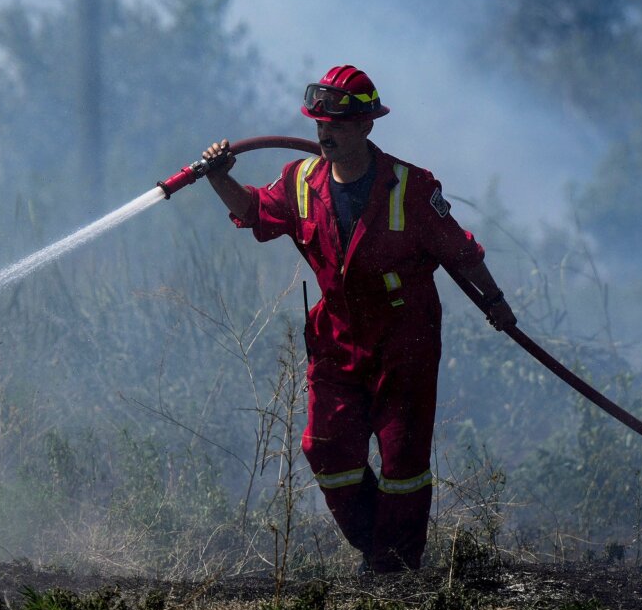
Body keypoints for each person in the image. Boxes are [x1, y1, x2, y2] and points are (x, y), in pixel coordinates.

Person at [198, 64, 515, 574]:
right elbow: (256, 213)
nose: (326, 133)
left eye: (339, 125)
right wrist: (219, 177)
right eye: (320, 123)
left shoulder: (410, 186)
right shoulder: (300, 181)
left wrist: (495, 301)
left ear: (367, 126)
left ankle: (394, 569)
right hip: (336, 340)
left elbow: (461, 251)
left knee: (402, 462)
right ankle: (381, 550)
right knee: (325, 449)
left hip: (404, 340)